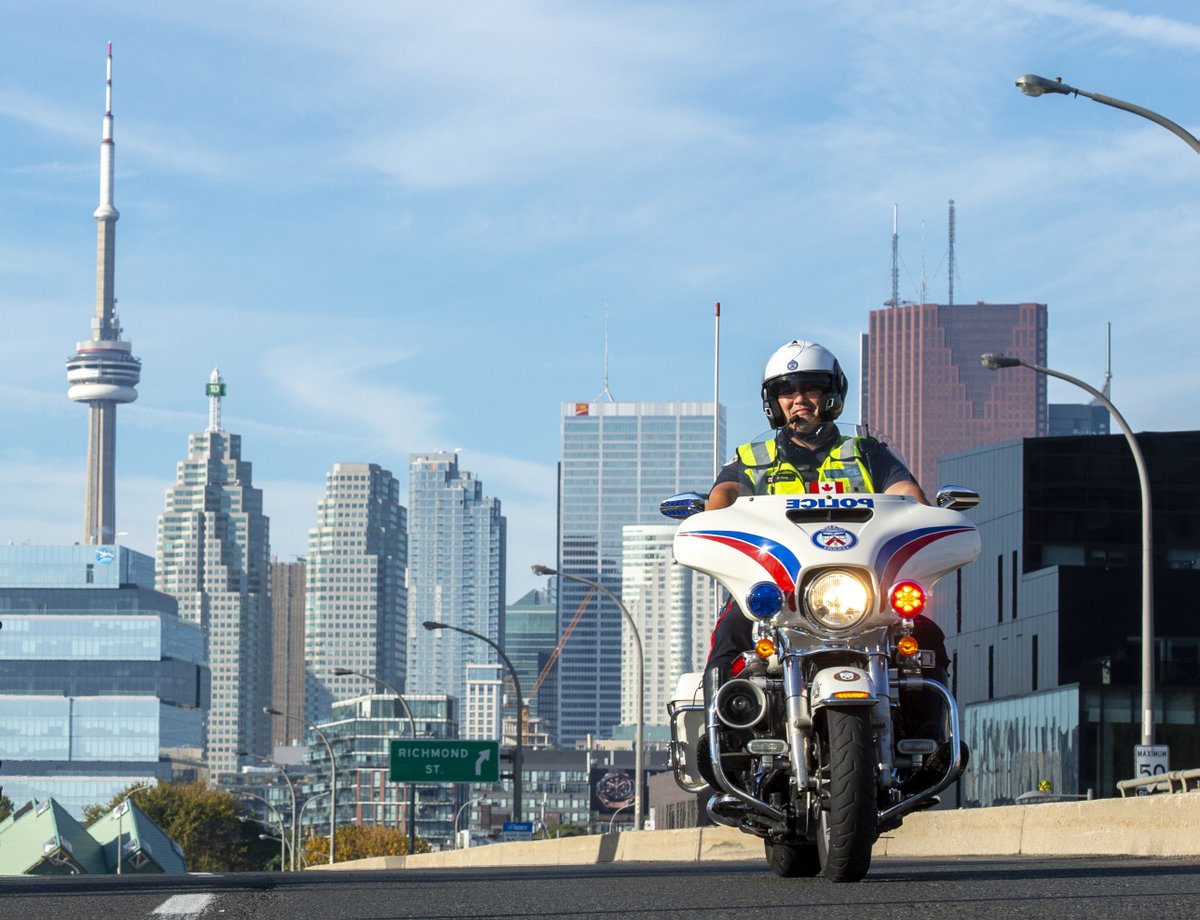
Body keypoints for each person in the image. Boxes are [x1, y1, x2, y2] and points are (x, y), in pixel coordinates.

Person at [703, 339, 958, 782]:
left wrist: (927, 511)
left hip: (859, 588)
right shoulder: (753, 459)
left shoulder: (867, 452)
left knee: (926, 635)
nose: (799, 398)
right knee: (729, 633)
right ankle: (725, 743)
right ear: (773, 402)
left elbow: (907, 496)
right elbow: (723, 496)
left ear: (832, 394)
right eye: (787, 390)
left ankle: (929, 740)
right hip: (781, 593)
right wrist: (714, 514)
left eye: (811, 387)